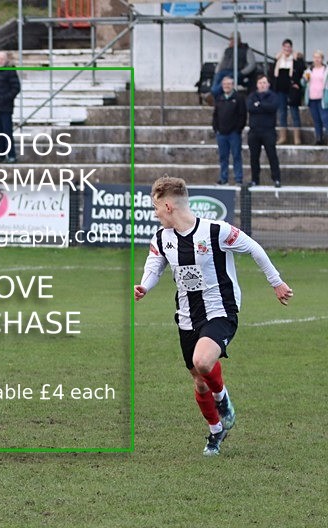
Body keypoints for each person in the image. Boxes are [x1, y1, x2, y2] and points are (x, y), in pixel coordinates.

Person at [135, 176, 293, 456]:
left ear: (169, 205)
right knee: (198, 378)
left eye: (156, 207)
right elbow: (154, 266)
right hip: (186, 316)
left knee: (203, 361)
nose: (155, 213)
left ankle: (223, 400)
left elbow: (254, 248)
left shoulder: (216, 231)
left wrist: (276, 282)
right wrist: (144, 286)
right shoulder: (162, 238)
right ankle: (216, 431)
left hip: (221, 310)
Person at [247, 75, 281, 187]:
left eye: (264, 82)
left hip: (268, 131)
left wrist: (260, 105)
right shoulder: (252, 96)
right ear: (257, 84)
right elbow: (250, 108)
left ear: (268, 84)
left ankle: (276, 178)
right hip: (254, 131)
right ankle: (255, 179)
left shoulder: (273, 96)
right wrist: (263, 107)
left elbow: (273, 107)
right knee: (254, 157)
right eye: (260, 83)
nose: (262, 85)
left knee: (272, 155)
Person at [212, 76, 246, 185]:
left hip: (234, 134)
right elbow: (215, 116)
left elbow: (242, 115)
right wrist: (216, 128)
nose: (227, 86)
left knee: (236, 156)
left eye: (229, 84)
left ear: (233, 85)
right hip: (221, 134)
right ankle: (223, 178)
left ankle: (238, 179)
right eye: (224, 84)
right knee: (223, 157)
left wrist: (238, 129)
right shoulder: (219, 98)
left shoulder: (239, 98)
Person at [0, 51, 21, 163]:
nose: (0, 60)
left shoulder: (10, 71)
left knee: (7, 132)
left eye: (3, 58)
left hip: (6, 107)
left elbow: (16, 88)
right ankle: (1, 154)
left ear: (6, 60)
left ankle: (11, 155)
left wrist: (5, 98)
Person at [272, 39, 306, 145]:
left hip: (292, 89)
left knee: (294, 112)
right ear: (282, 48)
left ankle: (297, 138)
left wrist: (297, 58)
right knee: (282, 112)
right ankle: (283, 137)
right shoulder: (278, 60)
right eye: (285, 47)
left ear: (291, 48)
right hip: (280, 89)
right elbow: (272, 74)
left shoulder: (296, 59)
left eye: (289, 47)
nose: (287, 49)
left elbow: (302, 71)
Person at [210, 32, 256, 100]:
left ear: (239, 40)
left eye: (234, 39)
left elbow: (252, 64)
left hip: (236, 72)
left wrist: (242, 72)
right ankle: (214, 95)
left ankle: (212, 96)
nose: (232, 41)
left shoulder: (247, 50)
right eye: (231, 39)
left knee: (226, 81)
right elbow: (221, 62)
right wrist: (217, 71)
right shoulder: (227, 50)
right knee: (217, 78)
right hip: (222, 71)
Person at [302, 50, 328, 145]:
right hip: (312, 98)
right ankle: (319, 138)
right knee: (316, 119)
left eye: (319, 57)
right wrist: (304, 80)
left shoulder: (326, 70)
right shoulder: (309, 70)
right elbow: (303, 83)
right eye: (315, 57)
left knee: (325, 118)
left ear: (322, 59)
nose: (317, 59)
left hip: (323, 98)